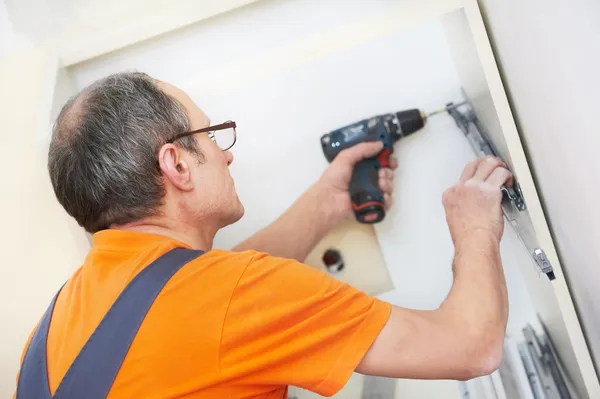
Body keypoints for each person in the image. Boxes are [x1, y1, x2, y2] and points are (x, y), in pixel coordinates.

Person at [14, 72, 512, 398]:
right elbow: (472, 346)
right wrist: (473, 227)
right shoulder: (235, 296)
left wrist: (326, 202)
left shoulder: (48, 336)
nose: (226, 154)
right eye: (211, 136)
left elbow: (202, 303)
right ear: (177, 164)